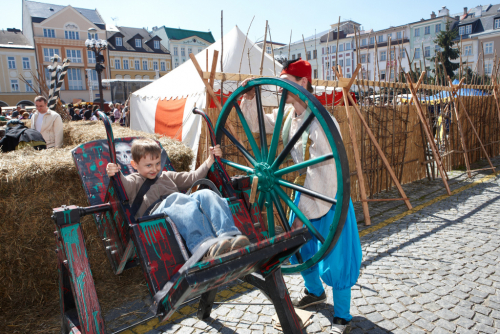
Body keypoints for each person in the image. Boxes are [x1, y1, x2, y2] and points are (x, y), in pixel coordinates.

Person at [240, 58, 362, 334]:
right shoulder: (287, 116)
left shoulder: (322, 122)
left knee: (337, 255)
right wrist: (249, 98)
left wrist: (303, 209)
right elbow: (259, 125)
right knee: (302, 247)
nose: (282, 88)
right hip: (303, 191)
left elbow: (327, 170)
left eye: (288, 83)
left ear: (304, 83)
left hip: (328, 196)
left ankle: (342, 314)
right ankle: (315, 291)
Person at [106, 138, 251, 259]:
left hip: (181, 208)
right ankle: (203, 245)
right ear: (135, 165)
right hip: (156, 216)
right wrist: (116, 174)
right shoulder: (134, 180)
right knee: (177, 198)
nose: (154, 169)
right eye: (148, 165)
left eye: (157, 164)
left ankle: (229, 235)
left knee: (206, 194)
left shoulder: (167, 176)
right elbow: (123, 186)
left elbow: (193, 177)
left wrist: (210, 160)